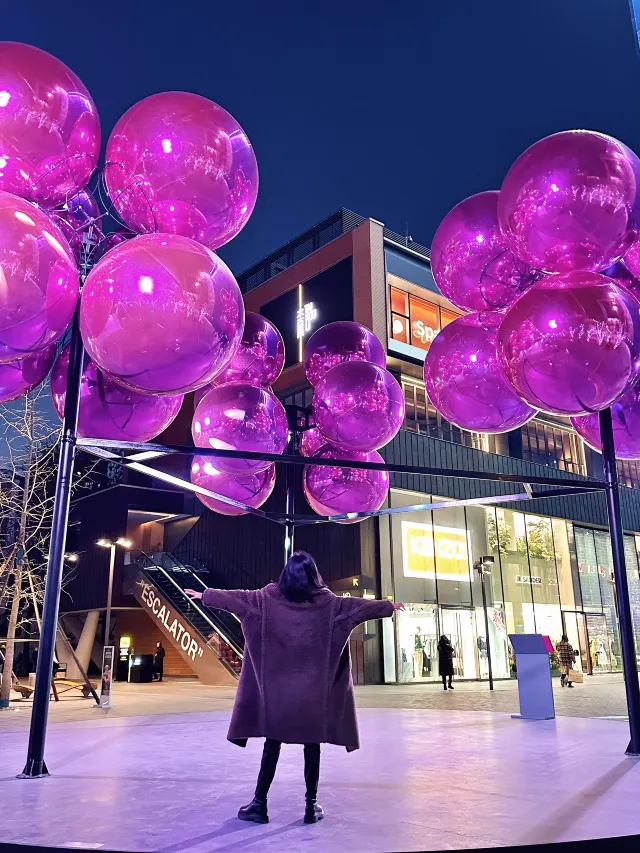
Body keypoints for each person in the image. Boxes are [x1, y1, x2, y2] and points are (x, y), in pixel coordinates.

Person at [186, 551, 404, 826]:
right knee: (312, 748)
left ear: (286, 574)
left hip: (277, 699)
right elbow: (360, 608)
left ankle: (259, 804)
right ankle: (311, 807)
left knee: (272, 746)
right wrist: (388, 606)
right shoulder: (332, 605)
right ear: (314, 574)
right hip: (312, 700)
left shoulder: (264, 601)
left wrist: (205, 595)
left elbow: (236, 599)